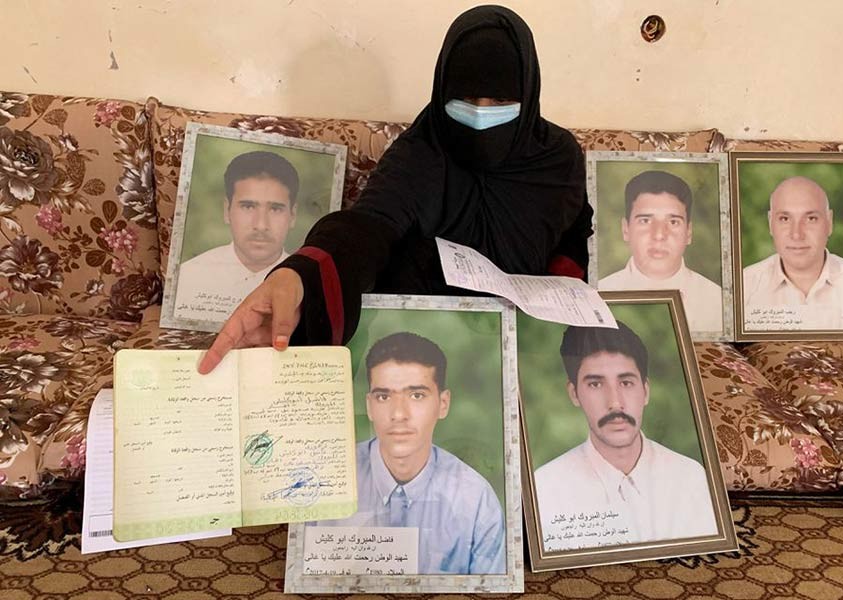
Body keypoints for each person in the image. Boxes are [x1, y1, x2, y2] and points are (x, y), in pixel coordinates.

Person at [198, 5, 592, 374]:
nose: (482, 113)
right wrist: (299, 275)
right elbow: (370, 225)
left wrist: (560, 295)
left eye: (502, 100)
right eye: (466, 99)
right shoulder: (421, 153)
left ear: (528, 92)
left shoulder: (558, 158)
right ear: (441, 92)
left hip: (523, 342)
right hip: (422, 339)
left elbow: (574, 230)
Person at [308, 332, 506, 575]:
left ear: (443, 404)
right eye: (383, 396)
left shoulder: (476, 499)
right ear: (369, 406)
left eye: (416, 395)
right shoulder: (324, 482)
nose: (399, 414)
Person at [533, 322, 717, 552]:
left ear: (645, 391)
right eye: (596, 384)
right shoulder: (545, 487)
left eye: (626, 382)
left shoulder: (690, 478)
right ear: (574, 394)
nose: (615, 402)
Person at [174, 151, 298, 319]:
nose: (261, 225)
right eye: (248, 206)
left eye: (275, 209)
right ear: (227, 211)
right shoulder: (188, 277)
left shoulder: (310, 285)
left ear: (292, 215)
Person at [597, 170, 723, 333]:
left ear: (689, 233)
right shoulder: (599, 294)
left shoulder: (718, 303)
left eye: (673, 222)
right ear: (626, 229)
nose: (659, 235)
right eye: (645, 220)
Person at [742, 175, 843, 330]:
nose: (797, 235)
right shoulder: (743, 288)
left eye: (811, 218)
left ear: (829, 222)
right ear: (770, 223)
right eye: (785, 219)